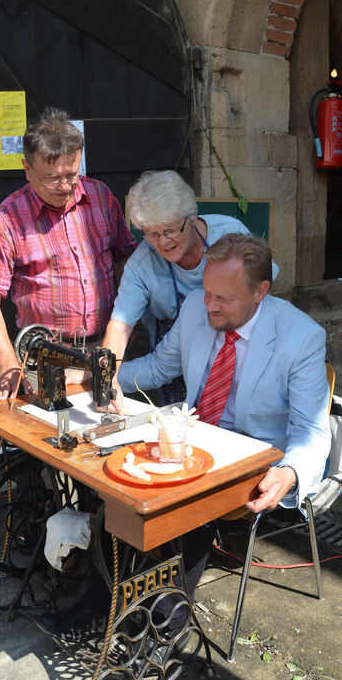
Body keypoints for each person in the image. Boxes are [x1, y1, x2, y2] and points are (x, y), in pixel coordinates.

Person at [115, 233, 331, 629]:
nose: (209, 305)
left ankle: (164, 624)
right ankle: (107, 599)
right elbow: (160, 367)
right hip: (196, 437)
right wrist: (104, 378)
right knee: (117, 484)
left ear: (260, 292)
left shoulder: (301, 337)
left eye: (224, 299)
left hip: (254, 455)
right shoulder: (196, 306)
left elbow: (312, 430)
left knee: (189, 508)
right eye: (207, 292)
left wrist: (290, 472)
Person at [0, 107, 137, 399]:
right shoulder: (7, 218)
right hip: (44, 360)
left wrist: (129, 326)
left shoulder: (101, 197)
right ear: (27, 168)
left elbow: (127, 261)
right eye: (51, 178)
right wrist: (8, 362)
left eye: (72, 175)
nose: (64, 187)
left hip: (106, 348)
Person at [102, 170, 276, 404]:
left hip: (237, 354)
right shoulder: (142, 264)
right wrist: (106, 376)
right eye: (152, 233)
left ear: (192, 216)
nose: (163, 242)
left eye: (171, 230)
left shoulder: (229, 233)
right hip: (172, 363)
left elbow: (264, 299)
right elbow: (121, 325)